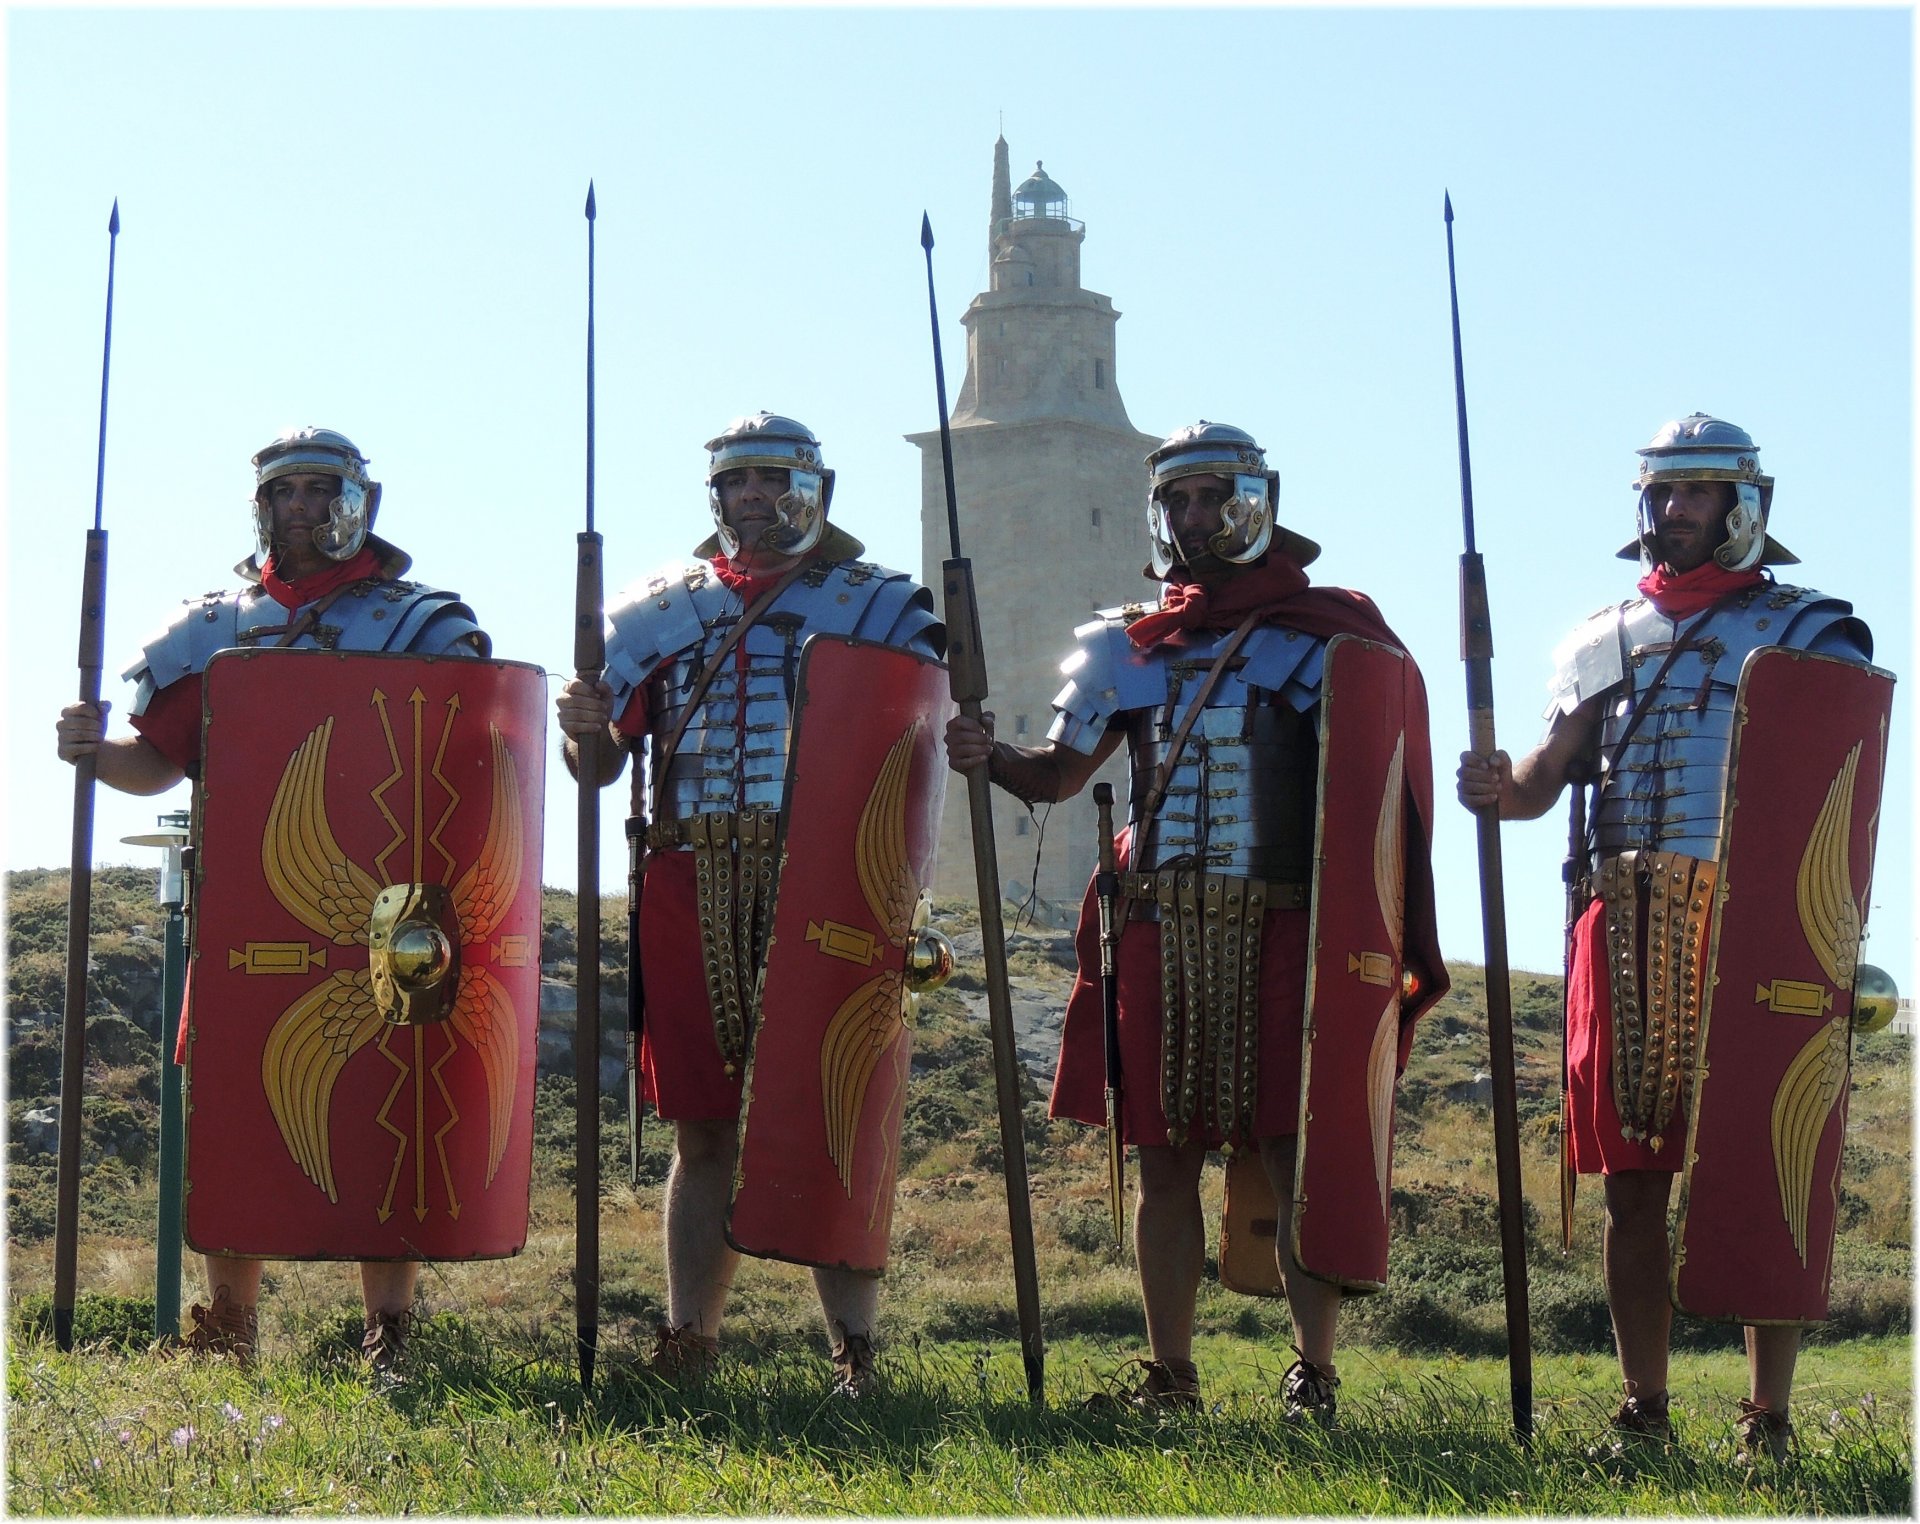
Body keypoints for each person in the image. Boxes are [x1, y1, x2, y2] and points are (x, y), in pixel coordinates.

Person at [946, 421, 1446, 1421]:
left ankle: (1313, 1371)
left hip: (1285, 926)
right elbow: (1058, 776)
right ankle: (1170, 1374)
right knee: (1162, 1157)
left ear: (1252, 502)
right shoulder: (1127, 645)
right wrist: (987, 754)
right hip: (1161, 925)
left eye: (1209, 498)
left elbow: (1373, 797)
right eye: (1174, 502)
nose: (1191, 518)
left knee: (1291, 1148)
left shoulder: (1334, 639)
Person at [1456, 413, 1876, 1460]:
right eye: (1663, 493)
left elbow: (1833, 786)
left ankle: (1766, 1416)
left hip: (1753, 928)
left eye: (1698, 493)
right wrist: (1495, 788)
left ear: (1744, 506)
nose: (1676, 512)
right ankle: (1644, 1410)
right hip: (1623, 919)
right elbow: (1541, 787)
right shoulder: (1600, 639)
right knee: (1631, 1180)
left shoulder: (1811, 631)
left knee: (1761, 1169)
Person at [55, 427, 488, 1373]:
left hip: (390, 911)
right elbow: (158, 765)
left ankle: (389, 1332)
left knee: (388, 1105)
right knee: (228, 1109)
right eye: (283, 491)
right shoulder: (209, 630)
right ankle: (229, 1329)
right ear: (262, 504)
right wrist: (95, 751)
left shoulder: (422, 625)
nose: (298, 506)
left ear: (357, 498)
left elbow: (469, 764)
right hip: (243, 909)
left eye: (317, 488)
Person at [556, 412, 943, 1397]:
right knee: (703, 1126)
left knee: (832, 1111)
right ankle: (690, 1340)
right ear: (715, 498)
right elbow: (599, 770)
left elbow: (923, 744)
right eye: (736, 483)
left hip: (827, 882)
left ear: (816, 489)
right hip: (686, 878)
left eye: (774, 479)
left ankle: (855, 1354)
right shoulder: (656, 613)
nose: (754, 498)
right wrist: (583, 727)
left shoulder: (883, 607)